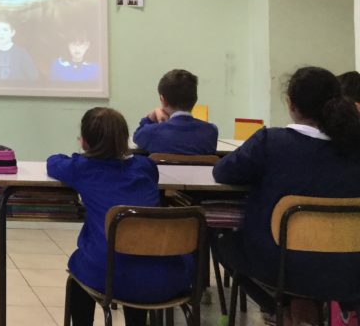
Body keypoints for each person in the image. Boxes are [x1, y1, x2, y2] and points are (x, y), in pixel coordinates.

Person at [212, 66, 360, 324]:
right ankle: (303, 305)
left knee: (222, 242)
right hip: (347, 270)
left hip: (281, 268)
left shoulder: (269, 142)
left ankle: (281, 308)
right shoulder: (353, 148)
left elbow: (223, 172)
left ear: (290, 104)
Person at [47, 108, 193, 326]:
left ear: (84, 142)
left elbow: (53, 162)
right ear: (125, 139)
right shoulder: (145, 167)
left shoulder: (82, 168)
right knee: (138, 263)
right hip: (169, 277)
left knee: (81, 268)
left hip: (112, 277)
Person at [132, 69, 218, 155]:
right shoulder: (211, 132)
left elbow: (137, 136)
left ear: (163, 100)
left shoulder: (150, 133)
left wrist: (151, 117)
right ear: (195, 99)